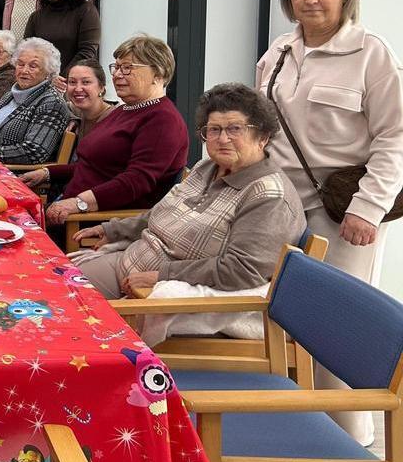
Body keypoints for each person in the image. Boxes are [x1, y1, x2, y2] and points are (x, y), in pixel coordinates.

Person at [255, 0, 403, 446]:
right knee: (290, 320)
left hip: (344, 209)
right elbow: (265, 129)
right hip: (282, 203)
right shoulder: (278, 52)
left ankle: (351, 439)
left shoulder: (372, 54)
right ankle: (308, 426)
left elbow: (394, 138)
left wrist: (368, 208)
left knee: (336, 328)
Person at [73, 83, 305, 318]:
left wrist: (162, 274)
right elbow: (163, 212)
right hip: (132, 261)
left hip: (166, 300)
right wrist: (113, 230)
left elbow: (242, 270)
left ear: (263, 137)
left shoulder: (268, 196)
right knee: (52, 284)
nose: (223, 139)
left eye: (235, 129)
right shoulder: (208, 167)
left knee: (62, 310)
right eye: (214, 130)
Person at [29, 36, 189, 226]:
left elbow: (137, 181)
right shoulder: (125, 109)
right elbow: (95, 166)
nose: (117, 74)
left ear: (158, 74)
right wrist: (47, 173)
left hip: (95, 224)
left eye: (128, 68)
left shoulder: (162, 119)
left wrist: (78, 203)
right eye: (117, 67)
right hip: (68, 208)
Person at [0, 37, 73, 164]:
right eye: (20, 64)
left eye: (33, 66)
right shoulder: (11, 93)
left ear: (49, 72)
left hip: (2, 169)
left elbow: (34, 152)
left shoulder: (51, 103)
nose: (24, 70)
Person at [24, 0, 100, 80]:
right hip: (40, 82)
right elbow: (27, 51)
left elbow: (87, 52)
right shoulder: (36, 17)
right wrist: (45, 79)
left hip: (75, 82)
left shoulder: (86, 11)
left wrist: (62, 78)